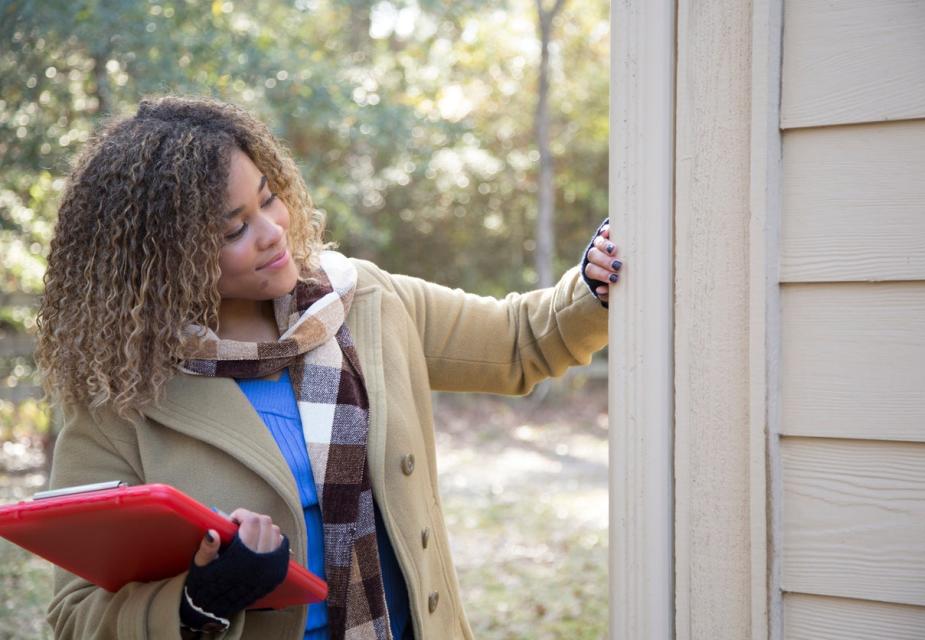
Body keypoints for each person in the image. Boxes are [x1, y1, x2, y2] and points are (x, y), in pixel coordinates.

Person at [36, 96, 621, 640]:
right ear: (165, 261)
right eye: (234, 229)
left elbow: (517, 343)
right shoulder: (123, 396)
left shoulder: (361, 300)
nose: (272, 231)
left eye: (268, 198)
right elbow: (75, 614)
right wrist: (199, 599)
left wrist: (593, 284)